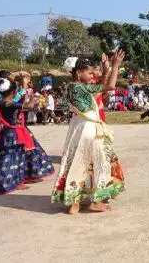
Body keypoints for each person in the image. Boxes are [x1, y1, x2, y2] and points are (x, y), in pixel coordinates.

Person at [52, 51, 126, 214]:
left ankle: (74, 203)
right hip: (90, 129)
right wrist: (115, 67)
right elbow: (110, 87)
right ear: (78, 73)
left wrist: (106, 70)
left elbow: (101, 88)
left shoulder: (73, 86)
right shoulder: (81, 87)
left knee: (76, 163)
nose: (94, 75)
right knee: (100, 163)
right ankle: (96, 201)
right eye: (90, 72)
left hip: (77, 128)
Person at [0, 78, 54, 194]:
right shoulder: (9, 103)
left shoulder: (3, 102)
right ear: (13, 92)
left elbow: (22, 104)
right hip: (14, 134)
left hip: (9, 132)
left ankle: (18, 177)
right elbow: (28, 106)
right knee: (13, 157)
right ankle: (12, 181)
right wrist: (33, 98)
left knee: (10, 155)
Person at [0, 71, 28, 167]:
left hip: (6, 116)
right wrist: (23, 89)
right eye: (9, 78)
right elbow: (14, 100)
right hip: (4, 119)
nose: (11, 79)